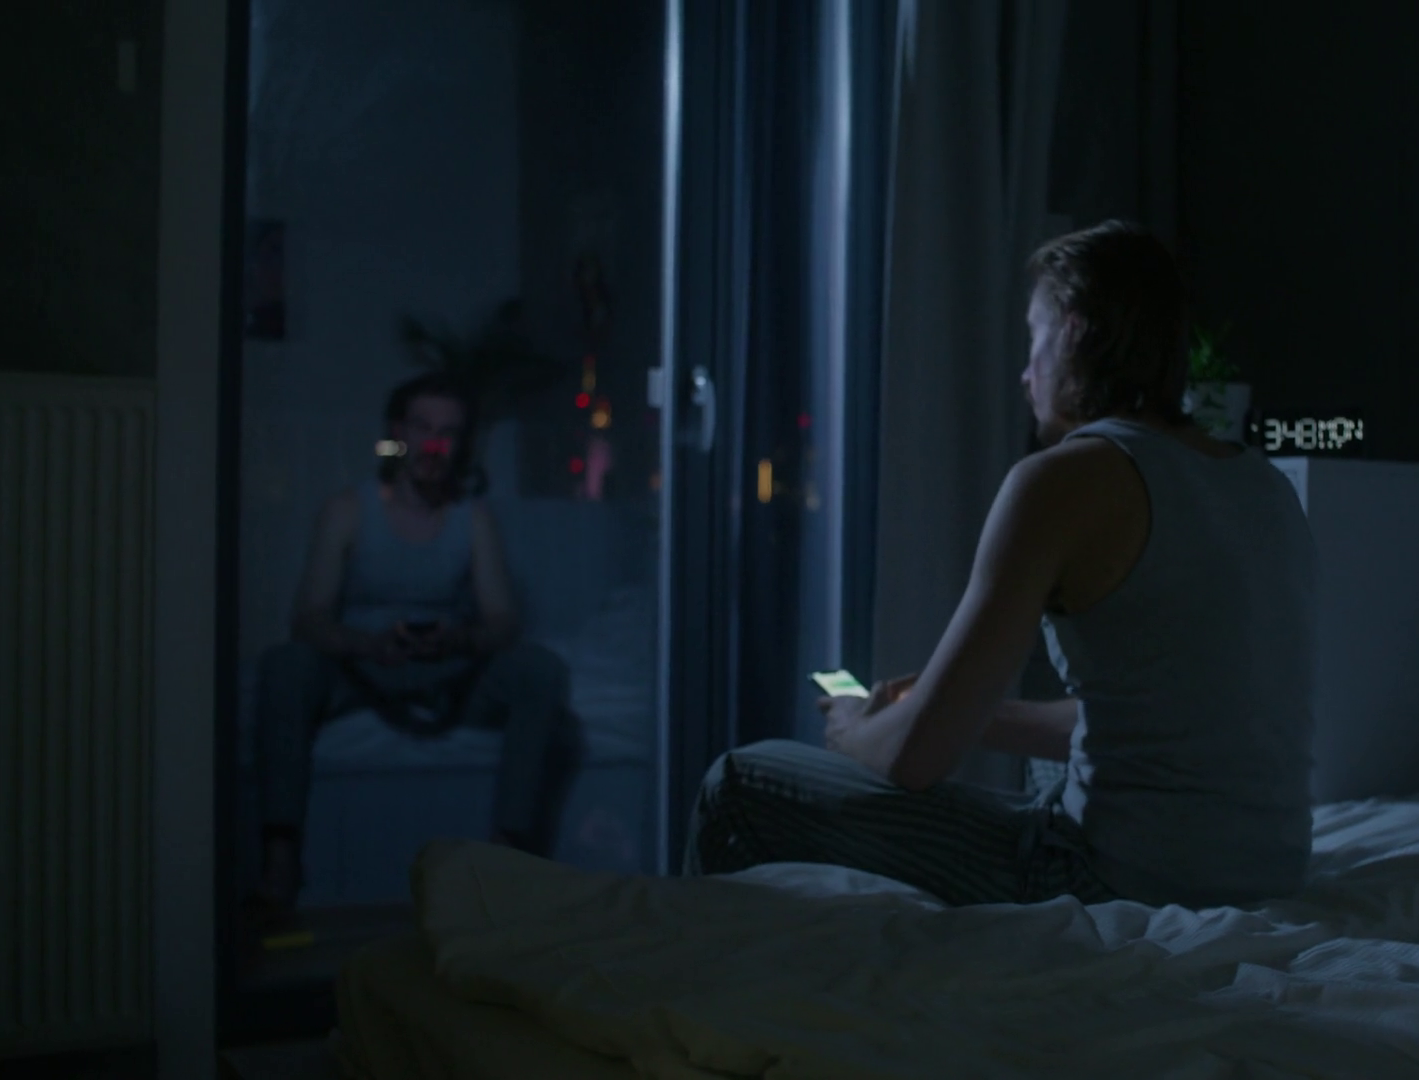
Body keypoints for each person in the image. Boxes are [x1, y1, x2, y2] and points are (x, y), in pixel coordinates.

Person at [685, 221, 1316, 909]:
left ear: (1073, 331)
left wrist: (854, 730)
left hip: (1117, 877)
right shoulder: (1265, 487)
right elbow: (1159, 718)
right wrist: (961, 708)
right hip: (1266, 875)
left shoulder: (1063, 479)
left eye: (1032, 338)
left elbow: (914, 762)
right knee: (1031, 783)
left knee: (739, 786)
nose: (1024, 373)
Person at [251, 372, 586, 912]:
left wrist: (457, 640)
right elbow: (308, 619)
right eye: (423, 427)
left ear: (461, 444)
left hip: (446, 670)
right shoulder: (349, 509)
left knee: (540, 669)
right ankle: (280, 856)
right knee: (285, 666)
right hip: (362, 667)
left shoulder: (472, 519)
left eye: (448, 433)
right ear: (397, 433)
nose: (434, 444)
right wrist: (369, 644)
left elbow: (503, 621)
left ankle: (507, 854)